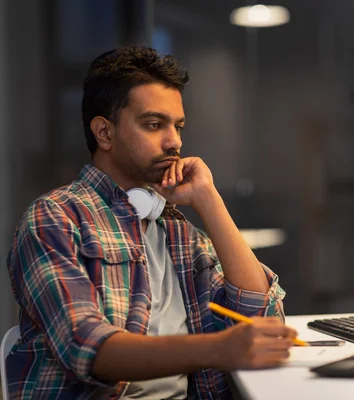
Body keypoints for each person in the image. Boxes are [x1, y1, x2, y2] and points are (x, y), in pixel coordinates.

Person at [6, 45, 296, 400]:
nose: (174, 141)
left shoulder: (175, 230)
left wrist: (209, 200)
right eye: (154, 124)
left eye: (178, 126)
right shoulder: (54, 218)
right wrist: (218, 348)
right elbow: (90, 349)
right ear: (105, 133)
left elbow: (261, 314)